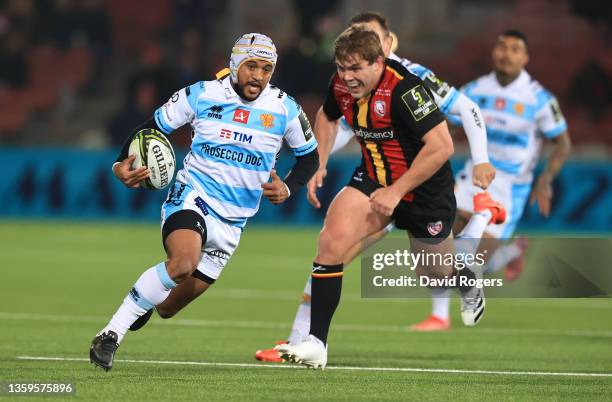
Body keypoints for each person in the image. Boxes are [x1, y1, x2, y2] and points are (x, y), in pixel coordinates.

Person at [255, 11, 501, 362]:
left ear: (378, 62)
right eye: (341, 67)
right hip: (372, 178)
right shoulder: (340, 84)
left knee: (433, 271)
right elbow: (326, 116)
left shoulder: (406, 89)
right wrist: (320, 161)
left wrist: (397, 191)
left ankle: (466, 281)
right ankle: (316, 345)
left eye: (355, 69)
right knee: (331, 241)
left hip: (424, 189)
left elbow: (442, 146)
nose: (347, 77)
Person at [89, 33, 319, 371]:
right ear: (235, 64)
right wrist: (120, 162)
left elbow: (309, 158)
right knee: (182, 263)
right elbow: (151, 127)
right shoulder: (202, 94)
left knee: (166, 307)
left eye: (266, 68)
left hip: (233, 224)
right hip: (193, 197)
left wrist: (288, 187)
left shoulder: (284, 107)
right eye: (251, 66)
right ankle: (111, 333)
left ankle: (143, 298)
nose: (257, 75)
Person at [410, 29, 572, 330]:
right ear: (493, 52)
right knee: (441, 239)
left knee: (475, 263)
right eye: (502, 47)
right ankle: (439, 315)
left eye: (514, 49)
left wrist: (546, 179)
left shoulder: (539, 98)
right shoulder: (474, 89)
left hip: (510, 185)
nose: (506, 53)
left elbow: (562, 142)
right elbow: (449, 122)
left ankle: (511, 252)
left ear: (525, 57)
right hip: (473, 174)